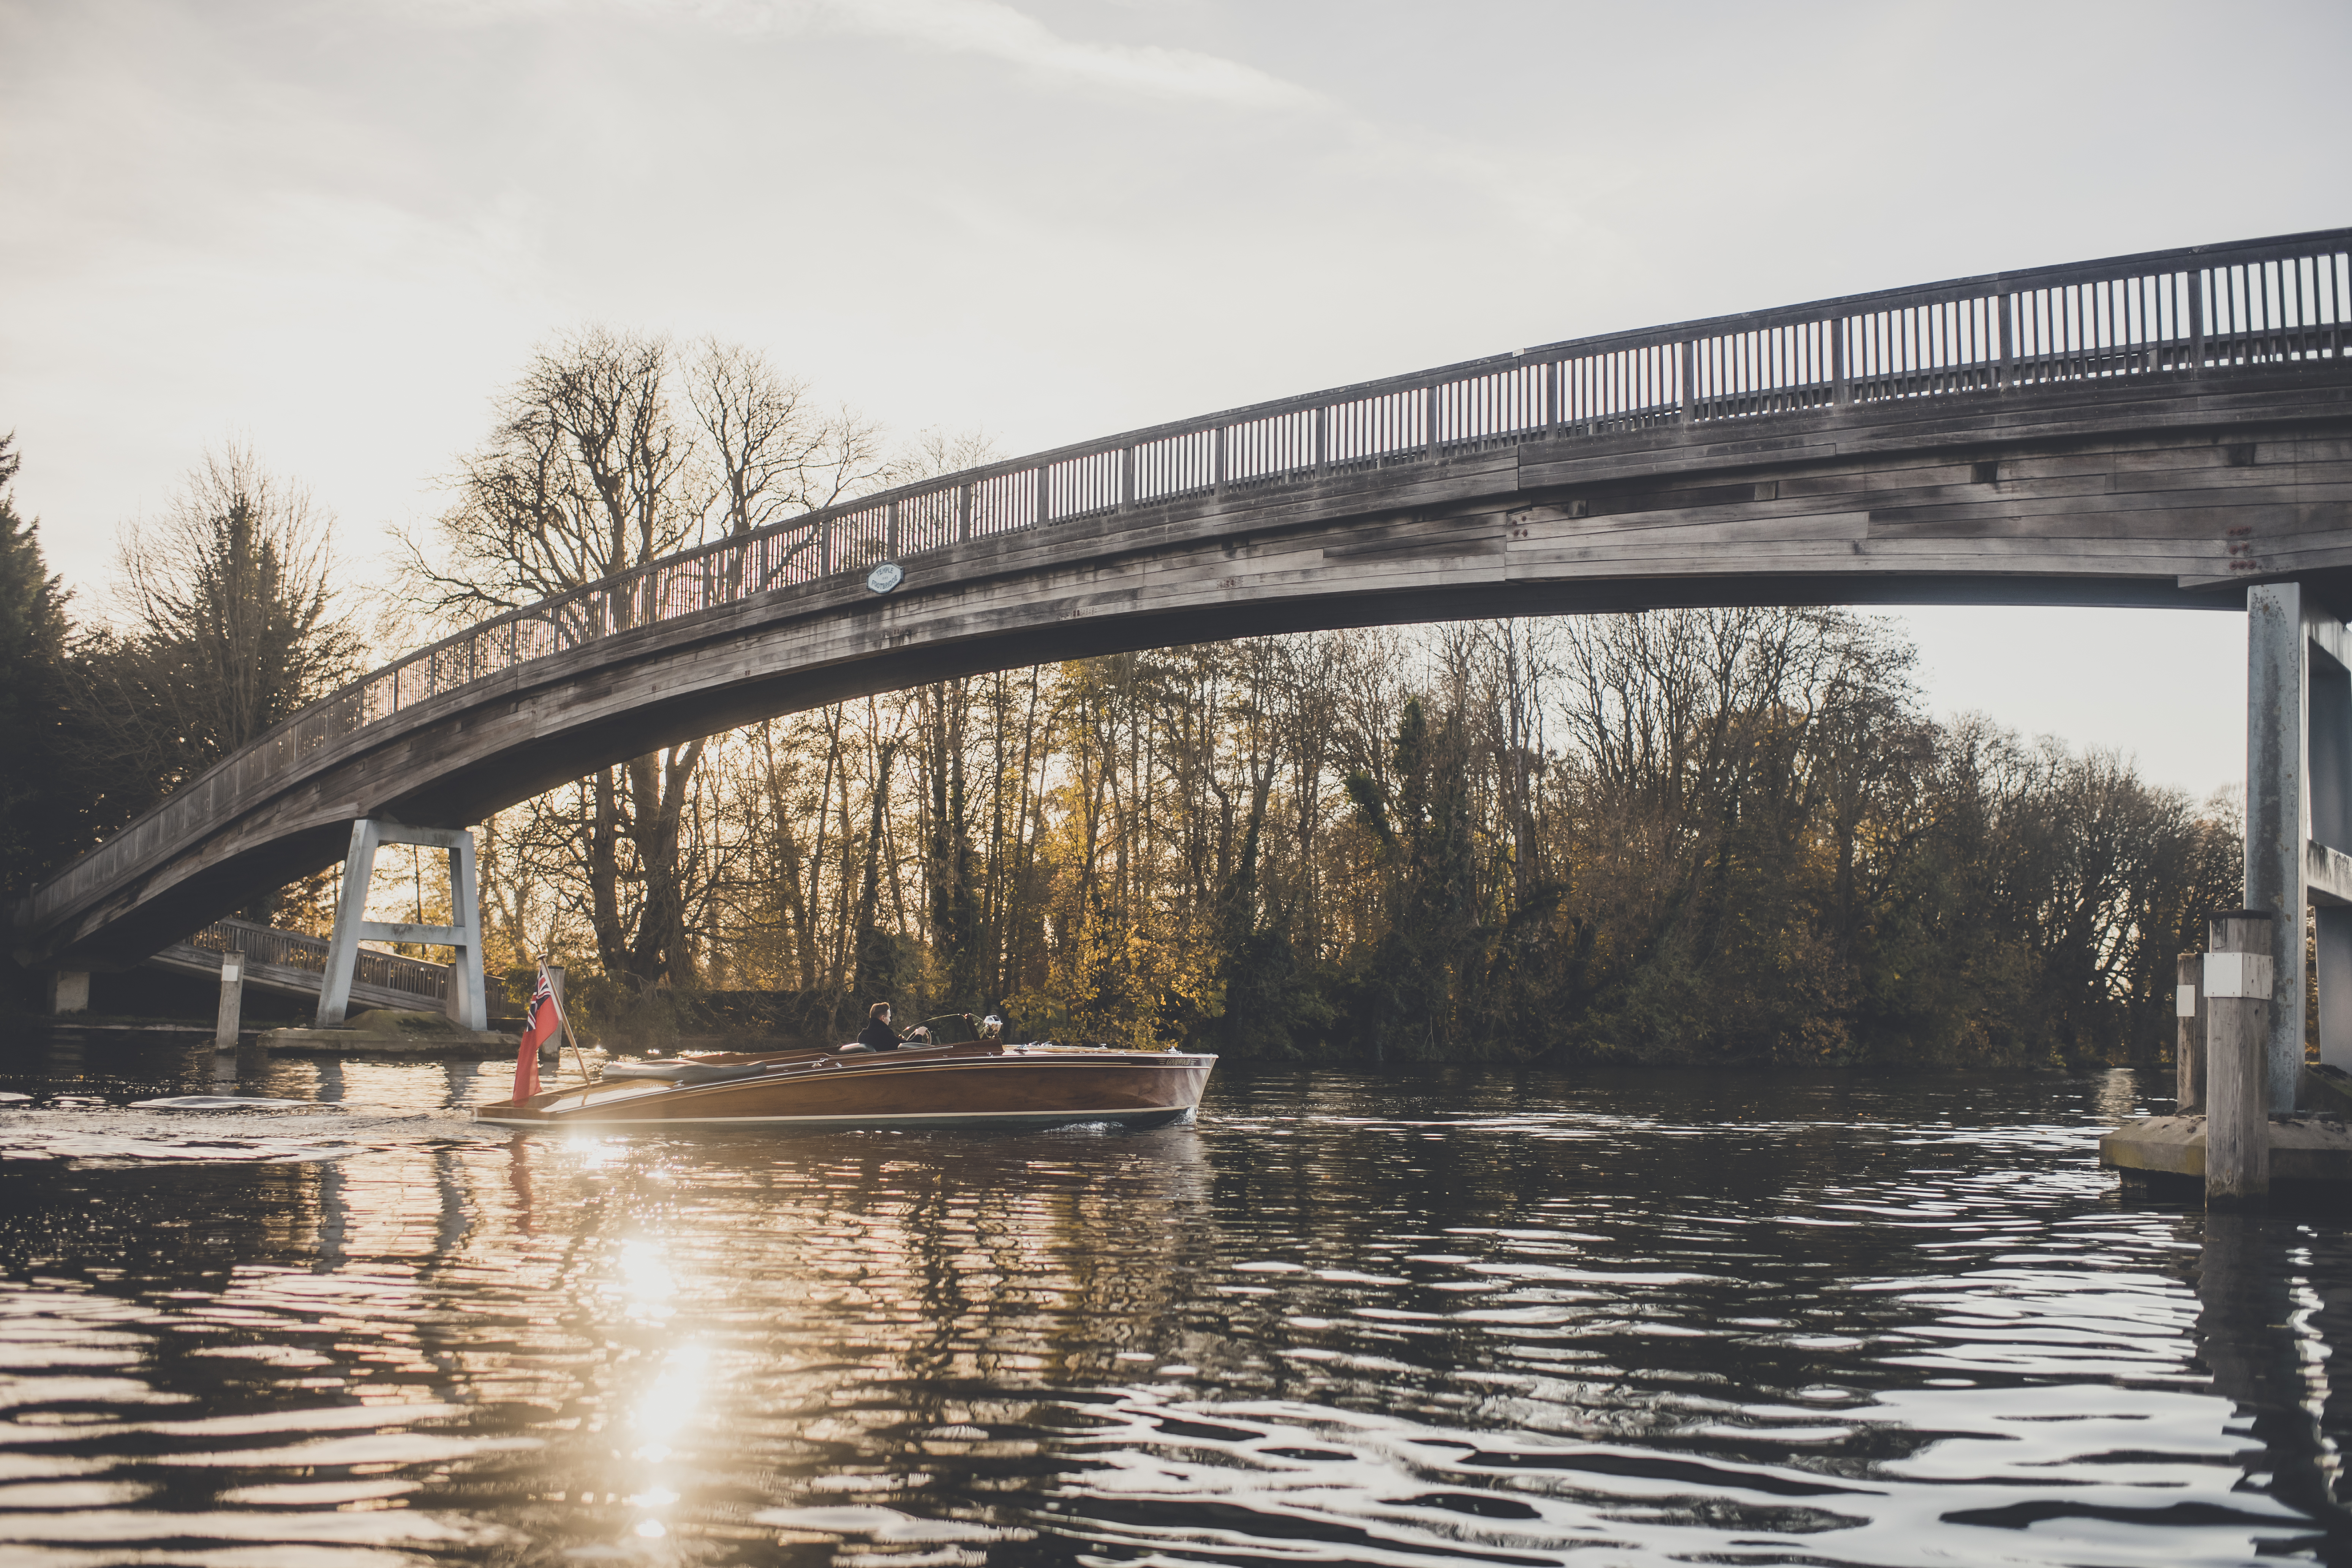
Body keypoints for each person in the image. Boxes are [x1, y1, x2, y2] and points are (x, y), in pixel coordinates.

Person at [855, 1002, 928, 1052]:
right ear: (883, 1018)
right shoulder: (884, 1034)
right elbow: (909, 1048)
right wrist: (919, 1035)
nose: (890, 1021)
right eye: (889, 1017)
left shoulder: (862, 1035)